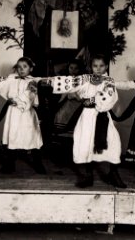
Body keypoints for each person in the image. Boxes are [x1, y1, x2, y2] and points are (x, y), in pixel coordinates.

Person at [44, 54, 126, 188]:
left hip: (102, 116)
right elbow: (68, 83)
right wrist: (47, 81)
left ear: (105, 67)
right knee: (87, 142)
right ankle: (88, 175)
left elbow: (108, 96)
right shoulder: (85, 79)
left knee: (113, 143)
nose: (98, 69)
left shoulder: (109, 81)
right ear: (91, 67)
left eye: (101, 66)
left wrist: (93, 99)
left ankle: (114, 173)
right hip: (87, 116)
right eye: (95, 66)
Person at [0, 57, 46, 174]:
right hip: (13, 113)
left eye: (25, 67)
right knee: (13, 136)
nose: (21, 69)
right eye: (19, 67)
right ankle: (10, 165)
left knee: (32, 137)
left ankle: (38, 164)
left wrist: (19, 101)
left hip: (26, 114)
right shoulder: (11, 79)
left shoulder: (33, 81)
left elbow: (32, 97)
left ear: (30, 68)